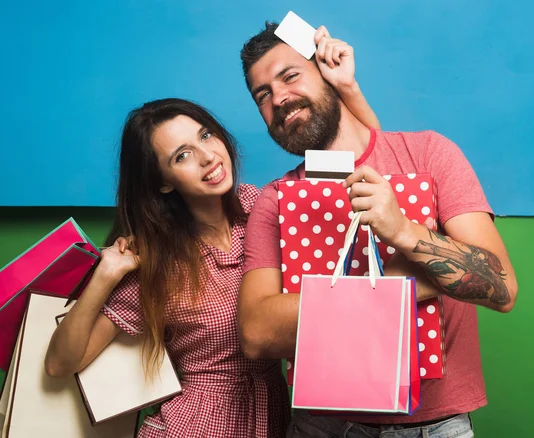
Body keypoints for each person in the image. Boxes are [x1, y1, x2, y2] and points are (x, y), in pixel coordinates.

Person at [44, 60, 379, 437]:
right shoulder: (157, 259)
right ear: (163, 183)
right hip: (194, 424)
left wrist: (347, 88)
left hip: (276, 419)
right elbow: (60, 363)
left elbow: (371, 169)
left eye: (205, 136)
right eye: (181, 156)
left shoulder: (263, 207)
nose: (207, 157)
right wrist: (105, 275)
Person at [237, 21, 518, 438]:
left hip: (436, 424)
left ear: (326, 70)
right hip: (323, 424)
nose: (278, 98)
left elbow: (501, 287)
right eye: (263, 95)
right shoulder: (274, 200)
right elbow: (258, 333)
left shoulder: (428, 155)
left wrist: (402, 230)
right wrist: (408, 282)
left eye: (290, 75)